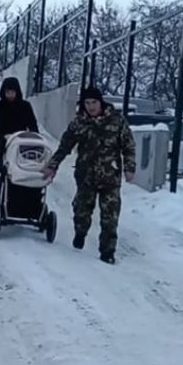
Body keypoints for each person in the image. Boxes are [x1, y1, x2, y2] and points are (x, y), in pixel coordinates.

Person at [42, 86, 136, 264]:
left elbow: (128, 146)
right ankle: (80, 232)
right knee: (81, 211)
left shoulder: (117, 121)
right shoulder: (79, 123)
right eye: (87, 103)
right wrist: (53, 165)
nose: (90, 106)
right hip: (86, 176)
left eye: (94, 102)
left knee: (110, 217)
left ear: (100, 102)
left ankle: (107, 252)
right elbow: (65, 146)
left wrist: (129, 168)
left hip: (110, 177)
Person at [0, 77, 39, 193]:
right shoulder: (0, 105)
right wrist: (4, 135)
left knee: (25, 168)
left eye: (12, 92)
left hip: (21, 141)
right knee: (5, 169)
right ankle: (2, 190)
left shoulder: (25, 106)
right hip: (4, 141)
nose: (10, 95)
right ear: (4, 92)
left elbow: (32, 123)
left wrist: (34, 136)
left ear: (17, 92)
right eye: (7, 92)